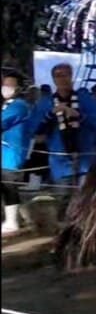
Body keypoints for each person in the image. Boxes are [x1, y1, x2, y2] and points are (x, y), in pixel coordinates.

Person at [33, 64, 96, 186]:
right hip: (60, 162)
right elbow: (35, 130)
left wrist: (79, 115)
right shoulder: (46, 102)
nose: (62, 79)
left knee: (85, 201)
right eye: (58, 75)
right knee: (63, 199)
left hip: (84, 160)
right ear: (53, 79)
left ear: (71, 76)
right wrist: (51, 114)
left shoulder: (85, 99)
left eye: (65, 74)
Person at [2, 72, 33, 233]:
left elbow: (3, 121)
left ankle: (12, 221)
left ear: (19, 88)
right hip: (5, 154)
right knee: (7, 188)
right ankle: (21, 218)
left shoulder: (19, 106)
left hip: (11, 155)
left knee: (9, 187)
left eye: (10, 85)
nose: (5, 88)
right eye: (4, 84)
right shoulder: (7, 105)